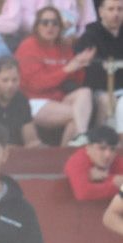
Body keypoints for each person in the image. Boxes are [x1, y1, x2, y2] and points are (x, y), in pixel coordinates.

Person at [18, 4, 96, 143]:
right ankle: (80, 138)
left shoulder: (64, 47)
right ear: (37, 26)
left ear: (60, 27)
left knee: (85, 93)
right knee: (78, 115)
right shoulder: (28, 46)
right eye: (45, 22)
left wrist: (80, 64)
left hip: (58, 99)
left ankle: (74, 143)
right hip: (34, 101)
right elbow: (36, 84)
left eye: (55, 23)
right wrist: (67, 69)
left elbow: (76, 81)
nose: (50, 27)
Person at [76, 0, 122, 118]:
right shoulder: (89, 37)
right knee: (107, 101)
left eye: (120, 9)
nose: (116, 13)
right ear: (101, 12)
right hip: (100, 89)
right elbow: (88, 68)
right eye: (111, 9)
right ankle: (100, 130)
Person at [64, 122, 123, 194]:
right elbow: (84, 192)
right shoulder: (77, 161)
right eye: (102, 148)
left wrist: (107, 177)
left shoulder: (116, 159)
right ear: (88, 148)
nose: (108, 154)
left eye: (112, 149)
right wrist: (115, 184)